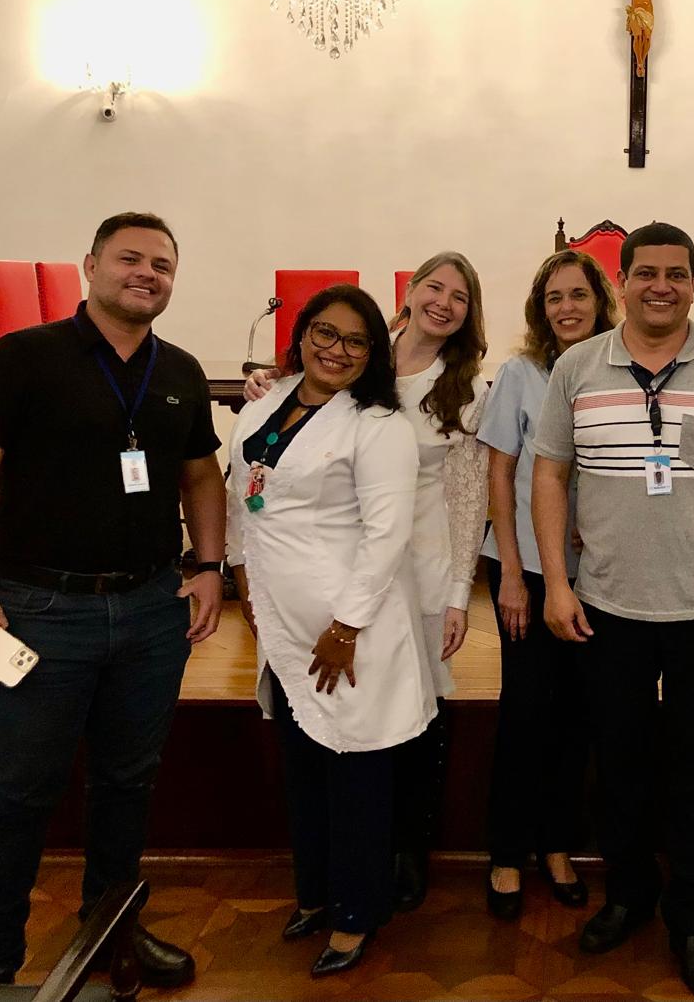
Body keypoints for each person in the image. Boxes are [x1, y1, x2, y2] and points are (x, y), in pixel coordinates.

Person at [0, 212, 225, 987]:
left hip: (150, 613)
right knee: (22, 790)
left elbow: (201, 475)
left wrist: (210, 566)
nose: (147, 273)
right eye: (129, 258)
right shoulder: (21, 357)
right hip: (37, 612)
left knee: (127, 783)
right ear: (90, 265)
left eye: (162, 265)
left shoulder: (179, 371)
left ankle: (110, 936)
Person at [531, 222, 694, 998]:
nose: (661, 286)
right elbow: (549, 475)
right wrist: (557, 582)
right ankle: (629, 895)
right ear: (624, 281)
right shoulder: (577, 367)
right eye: (646, 273)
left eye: (677, 273)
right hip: (607, 604)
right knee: (621, 763)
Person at [244, 250, 489, 911]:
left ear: (470, 314)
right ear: (409, 292)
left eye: (459, 296)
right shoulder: (357, 361)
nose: (443, 302)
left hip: (422, 561)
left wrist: (460, 589)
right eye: (434, 286)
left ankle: (408, 848)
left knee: (417, 712)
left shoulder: (463, 388)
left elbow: (469, 494)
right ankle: (352, 863)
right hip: (340, 564)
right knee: (352, 715)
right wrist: (272, 381)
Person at [226, 284, 434, 978]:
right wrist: (243, 582)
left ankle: (356, 913)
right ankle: (315, 893)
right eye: (324, 332)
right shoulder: (267, 402)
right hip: (282, 622)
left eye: (354, 340)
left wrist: (345, 627)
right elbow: (244, 497)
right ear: (302, 334)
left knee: (355, 770)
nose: (336, 350)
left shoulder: (378, 425)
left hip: (347, 627)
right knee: (304, 766)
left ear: (373, 353)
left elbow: (387, 535)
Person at [478, 250, 617, 920]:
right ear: (541, 309)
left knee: (579, 717)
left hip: (602, 575)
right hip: (529, 568)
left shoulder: (617, 372)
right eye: (554, 297)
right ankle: (508, 851)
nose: (567, 307)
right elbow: (500, 473)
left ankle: (558, 845)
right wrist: (509, 571)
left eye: (578, 295)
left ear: (600, 302)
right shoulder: (521, 374)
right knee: (526, 713)